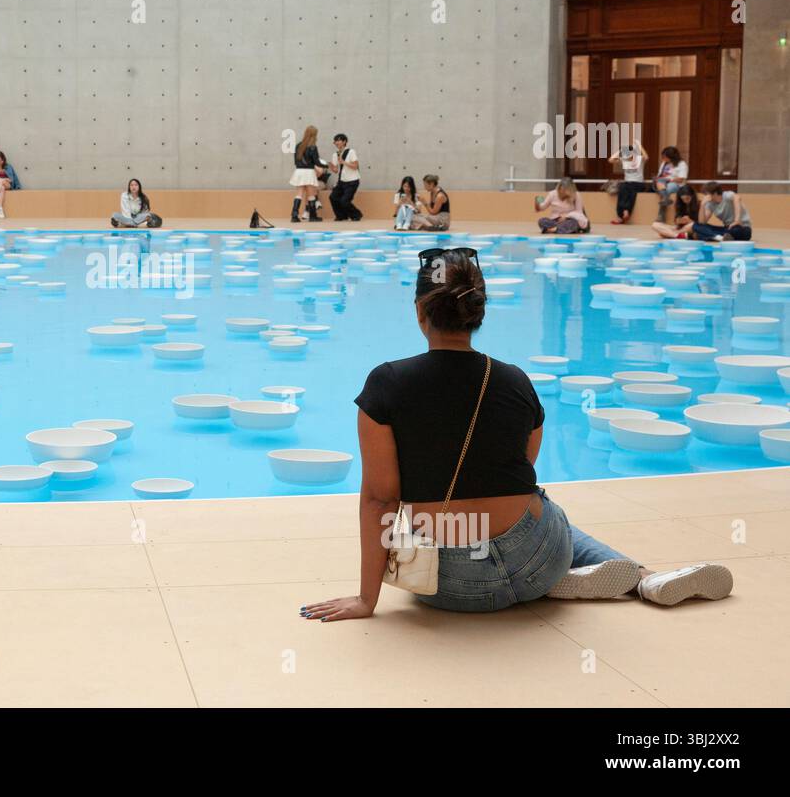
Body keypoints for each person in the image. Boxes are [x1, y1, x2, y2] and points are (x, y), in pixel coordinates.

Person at [299, 248, 734, 620]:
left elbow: (381, 500)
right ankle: (638, 577)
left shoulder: (386, 383)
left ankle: (571, 582)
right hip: (537, 558)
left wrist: (365, 599)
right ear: (477, 313)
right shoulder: (515, 380)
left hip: (447, 582)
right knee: (541, 507)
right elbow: (520, 469)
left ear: (419, 311)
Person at [610, 143, 651, 225]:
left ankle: (623, 214)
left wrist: (639, 145)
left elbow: (646, 157)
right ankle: (624, 212)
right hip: (627, 183)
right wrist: (621, 150)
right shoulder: (624, 160)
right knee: (622, 190)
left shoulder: (639, 159)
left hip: (638, 183)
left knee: (630, 191)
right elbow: (611, 159)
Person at [289, 125, 323, 223]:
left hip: (299, 171)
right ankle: (313, 216)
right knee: (311, 195)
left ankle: (294, 216)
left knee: (299, 194)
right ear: (314, 135)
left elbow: (296, 162)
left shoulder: (298, 145)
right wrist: (325, 166)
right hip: (309, 172)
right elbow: (317, 162)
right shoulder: (313, 147)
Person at [327, 133, 362, 222]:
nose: (336, 142)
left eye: (338, 140)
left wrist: (344, 162)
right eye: (335, 141)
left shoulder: (351, 152)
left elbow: (355, 165)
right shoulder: (335, 154)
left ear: (344, 141)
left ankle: (356, 215)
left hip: (352, 181)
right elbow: (335, 170)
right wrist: (330, 166)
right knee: (333, 197)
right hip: (342, 181)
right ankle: (341, 216)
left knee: (344, 201)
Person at [654, 146, 688, 222]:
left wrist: (669, 179)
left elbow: (681, 179)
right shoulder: (664, 164)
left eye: (665, 157)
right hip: (663, 182)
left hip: (675, 183)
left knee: (668, 188)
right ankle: (666, 198)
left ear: (672, 157)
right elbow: (659, 175)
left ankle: (661, 215)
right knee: (660, 182)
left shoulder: (681, 164)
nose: (664, 159)